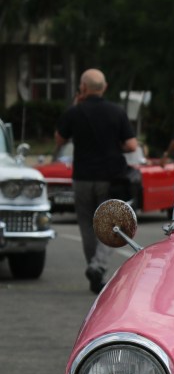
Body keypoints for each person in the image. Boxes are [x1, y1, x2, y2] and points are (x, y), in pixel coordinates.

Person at [54, 68, 139, 293]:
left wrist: (74, 105)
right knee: (114, 225)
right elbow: (132, 145)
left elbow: (59, 138)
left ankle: (93, 270)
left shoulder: (75, 112)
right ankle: (98, 266)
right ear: (105, 87)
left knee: (87, 225)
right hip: (109, 178)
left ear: (83, 88)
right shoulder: (116, 112)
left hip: (82, 177)